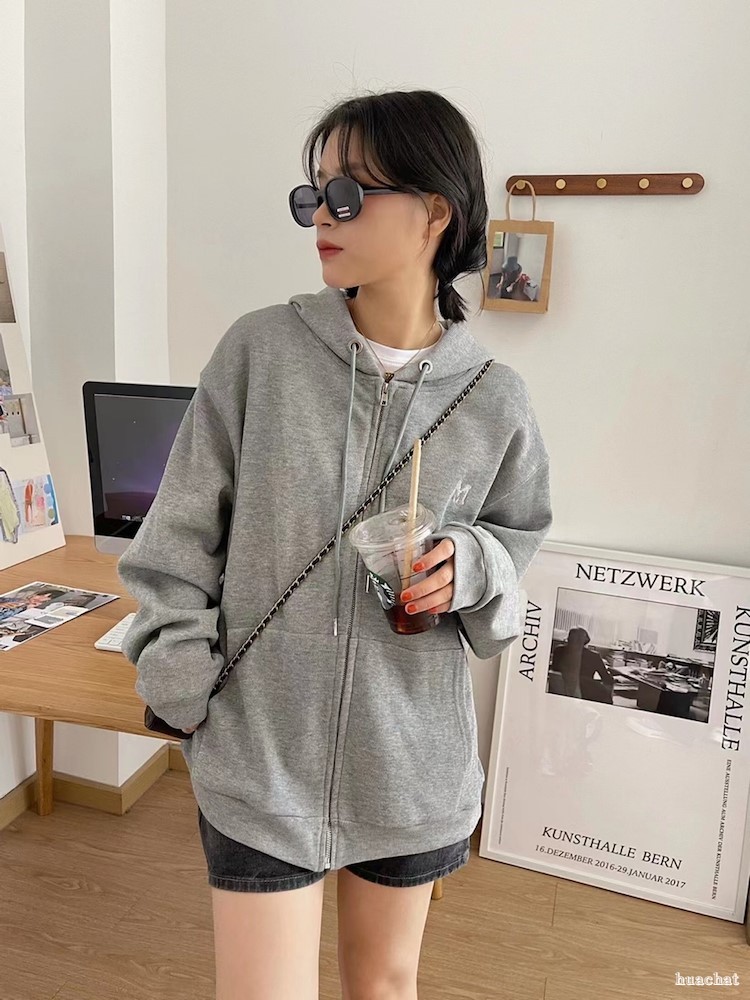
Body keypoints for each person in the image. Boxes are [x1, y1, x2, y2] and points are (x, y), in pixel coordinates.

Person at [118, 89, 553, 1000]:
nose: (321, 215)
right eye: (313, 194)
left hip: (411, 760)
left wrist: (470, 564)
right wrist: (183, 685)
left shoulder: (494, 398)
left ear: (435, 211)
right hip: (259, 752)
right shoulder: (259, 354)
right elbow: (176, 539)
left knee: (383, 987)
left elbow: (517, 539)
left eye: (349, 194)